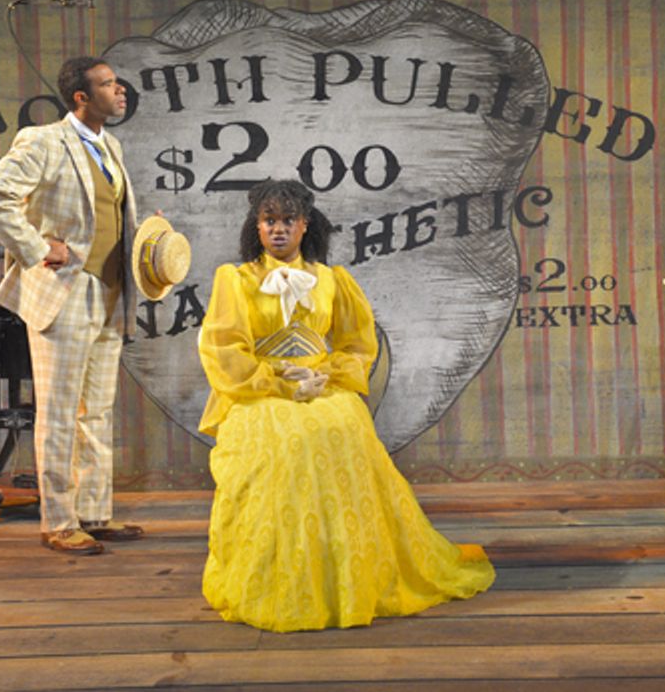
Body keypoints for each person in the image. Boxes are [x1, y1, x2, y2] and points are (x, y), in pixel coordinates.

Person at [197, 180, 495, 631]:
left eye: (288, 221)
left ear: (305, 225)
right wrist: (275, 383)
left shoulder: (333, 280)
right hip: (261, 390)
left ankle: (346, 574)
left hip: (319, 382)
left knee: (342, 423)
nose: (279, 230)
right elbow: (224, 349)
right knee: (284, 440)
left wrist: (327, 375)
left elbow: (358, 342)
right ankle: (279, 576)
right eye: (269, 221)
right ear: (256, 227)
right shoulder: (235, 280)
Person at [0, 57, 145, 555]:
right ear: (81, 98)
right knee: (60, 410)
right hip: (66, 291)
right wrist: (36, 247)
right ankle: (59, 520)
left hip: (109, 293)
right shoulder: (44, 141)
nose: (120, 90)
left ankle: (94, 512)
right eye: (109, 84)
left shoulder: (109, 145)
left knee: (98, 412)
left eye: (117, 81)